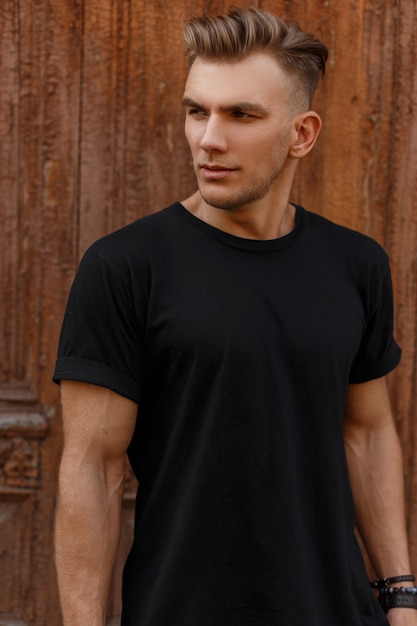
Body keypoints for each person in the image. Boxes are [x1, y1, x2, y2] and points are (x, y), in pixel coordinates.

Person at [53, 7, 417, 626]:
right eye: (197, 110)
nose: (208, 139)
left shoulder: (356, 263)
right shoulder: (125, 267)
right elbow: (94, 469)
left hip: (336, 609)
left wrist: (402, 597)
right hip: (184, 610)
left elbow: (368, 431)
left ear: (302, 133)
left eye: (241, 115)